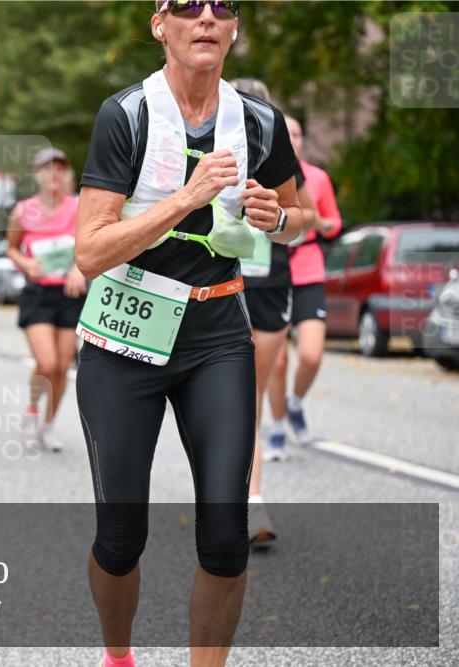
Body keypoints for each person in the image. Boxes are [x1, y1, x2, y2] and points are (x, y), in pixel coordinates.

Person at [74, 2, 305, 665]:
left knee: (228, 536)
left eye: (220, 6)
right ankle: (118, 655)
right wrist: (185, 197)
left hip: (216, 337)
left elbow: (302, 215)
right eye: (186, 5)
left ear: (234, 29)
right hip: (126, 337)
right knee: (121, 537)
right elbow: (89, 252)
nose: (204, 16)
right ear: (160, 25)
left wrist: (276, 219)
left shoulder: (259, 121)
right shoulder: (126, 115)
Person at [229, 78, 316, 549]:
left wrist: (277, 217)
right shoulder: (208, 155)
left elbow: (308, 217)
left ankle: (242, 497)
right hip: (221, 286)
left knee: (249, 397)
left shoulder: (280, 159)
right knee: (235, 397)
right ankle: (250, 500)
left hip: (269, 290)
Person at [267, 116, 342, 451]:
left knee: (311, 356)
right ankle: (277, 427)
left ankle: (295, 403)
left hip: (308, 269)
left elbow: (333, 221)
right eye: (287, 134)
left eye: (297, 134)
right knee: (278, 361)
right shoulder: (267, 172)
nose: (292, 139)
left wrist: (321, 224)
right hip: (273, 272)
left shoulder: (317, 178)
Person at [6, 147, 88, 452]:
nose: (54, 174)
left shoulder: (79, 208)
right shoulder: (22, 211)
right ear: (36, 175)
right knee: (47, 362)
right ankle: (31, 411)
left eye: (60, 168)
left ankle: (49, 423)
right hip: (38, 294)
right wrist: (25, 263)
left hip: (69, 294)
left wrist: (79, 269)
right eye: (47, 168)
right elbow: (11, 248)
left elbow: (90, 246)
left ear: (67, 175)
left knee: (62, 366)